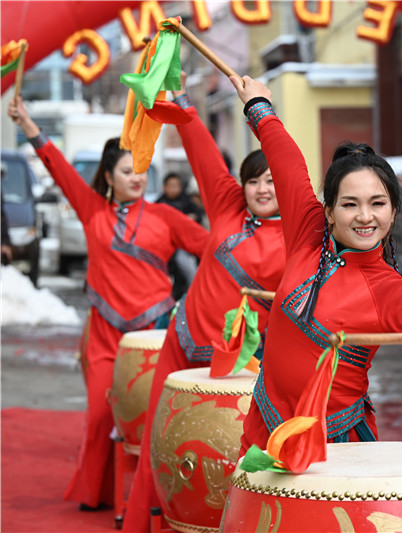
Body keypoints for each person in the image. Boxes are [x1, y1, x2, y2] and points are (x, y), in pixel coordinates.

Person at [229, 75, 402, 453]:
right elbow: (287, 164)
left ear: (393, 213)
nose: (365, 216)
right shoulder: (307, 233)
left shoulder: (386, 288)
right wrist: (259, 108)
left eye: (377, 203)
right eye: (350, 204)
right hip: (264, 427)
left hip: (334, 448)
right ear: (328, 211)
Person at [7, 97, 209, 510]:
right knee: (101, 417)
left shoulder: (166, 216)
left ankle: (159, 497)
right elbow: (58, 170)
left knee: (155, 421)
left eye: (141, 168)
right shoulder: (91, 210)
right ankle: (96, 493)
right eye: (126, 170)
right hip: (103, 333)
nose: (136, 177)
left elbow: (213, 249)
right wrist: (28, 123)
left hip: (154, 334)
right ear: (108, 176)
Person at [121, 80, 287, 532]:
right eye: (254, 180)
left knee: (222, 460)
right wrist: (180, 98)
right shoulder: (227, 206)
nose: (262, 188)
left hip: (238, 364)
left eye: (272, 179)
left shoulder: (300, 236)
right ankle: (143, 524)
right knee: (160, 444)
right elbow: (202, 152)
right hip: (182, 341)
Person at [156, 172, 204, 299]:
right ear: (164, 187)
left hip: (183, 247)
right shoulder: (159, 203)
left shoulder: (186, 201)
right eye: (170, 185)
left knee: (187, 265)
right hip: (165, 246)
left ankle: (195, 290)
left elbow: (198, 214)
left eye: (176, 185)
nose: (173, 189)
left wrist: (191, 218)